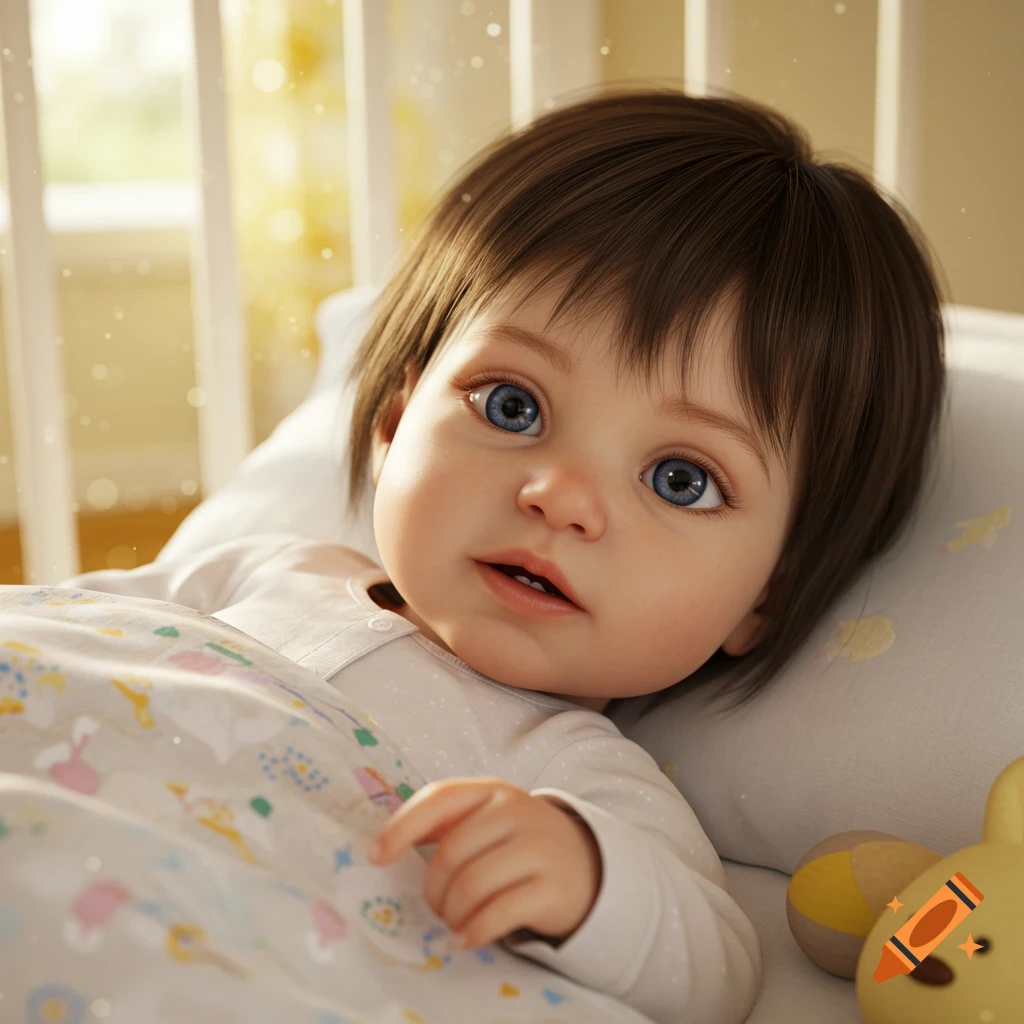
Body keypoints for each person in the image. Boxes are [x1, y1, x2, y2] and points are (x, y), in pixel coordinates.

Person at [68, 88, 946, 1024]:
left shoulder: (575, 777)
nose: (560, 498)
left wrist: (587, 882)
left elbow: (715, 969)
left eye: (680, 479)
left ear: (764, 596)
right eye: (512, 406)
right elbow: (67, 632)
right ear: (397, 423)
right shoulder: (260, 570)